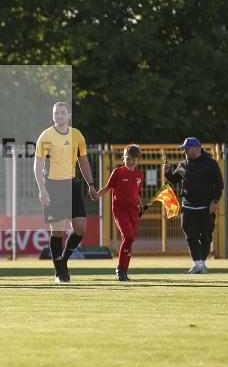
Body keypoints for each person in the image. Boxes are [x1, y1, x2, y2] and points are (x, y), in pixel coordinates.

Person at [34, 102, 96, 284]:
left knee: (80, 228)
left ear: (68, 115)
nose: (59, 115)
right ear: (53, 115)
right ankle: (59, 272)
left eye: (62, 112)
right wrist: (42, 189)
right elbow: (37, 165)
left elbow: (83, 161)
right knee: (58, 231)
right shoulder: (46, 136)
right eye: (56, 113)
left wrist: (91, 184)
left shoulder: (76, 135)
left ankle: (64, 261)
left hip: (72, 185)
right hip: (53, 186)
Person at [163, 138, 224, 274]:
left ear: (196, 148)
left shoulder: (211, 164)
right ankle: (197, 264)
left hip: (205, 207)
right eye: (183, 148)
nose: (183, 151)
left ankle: (201, 264)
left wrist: (214, 201)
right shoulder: (183, 165)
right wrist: (167, 172)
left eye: (186, 148)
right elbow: (174, 180)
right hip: (188, 206)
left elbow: (219, 185)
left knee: (206, 237)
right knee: (191, 236)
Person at [94, 144, 145, 281]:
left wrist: (141, 205)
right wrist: (97, 195)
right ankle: (120, 269)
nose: (131, 162)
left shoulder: (140, 175)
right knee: (128, 237)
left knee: (130, 240)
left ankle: (124, 270)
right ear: (123, 158)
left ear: (138, 160)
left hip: (133, 211)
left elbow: (136, 193)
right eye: (128, 159)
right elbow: (108, 187)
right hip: (120, 211)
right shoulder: (117, 172)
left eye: (134, 159)